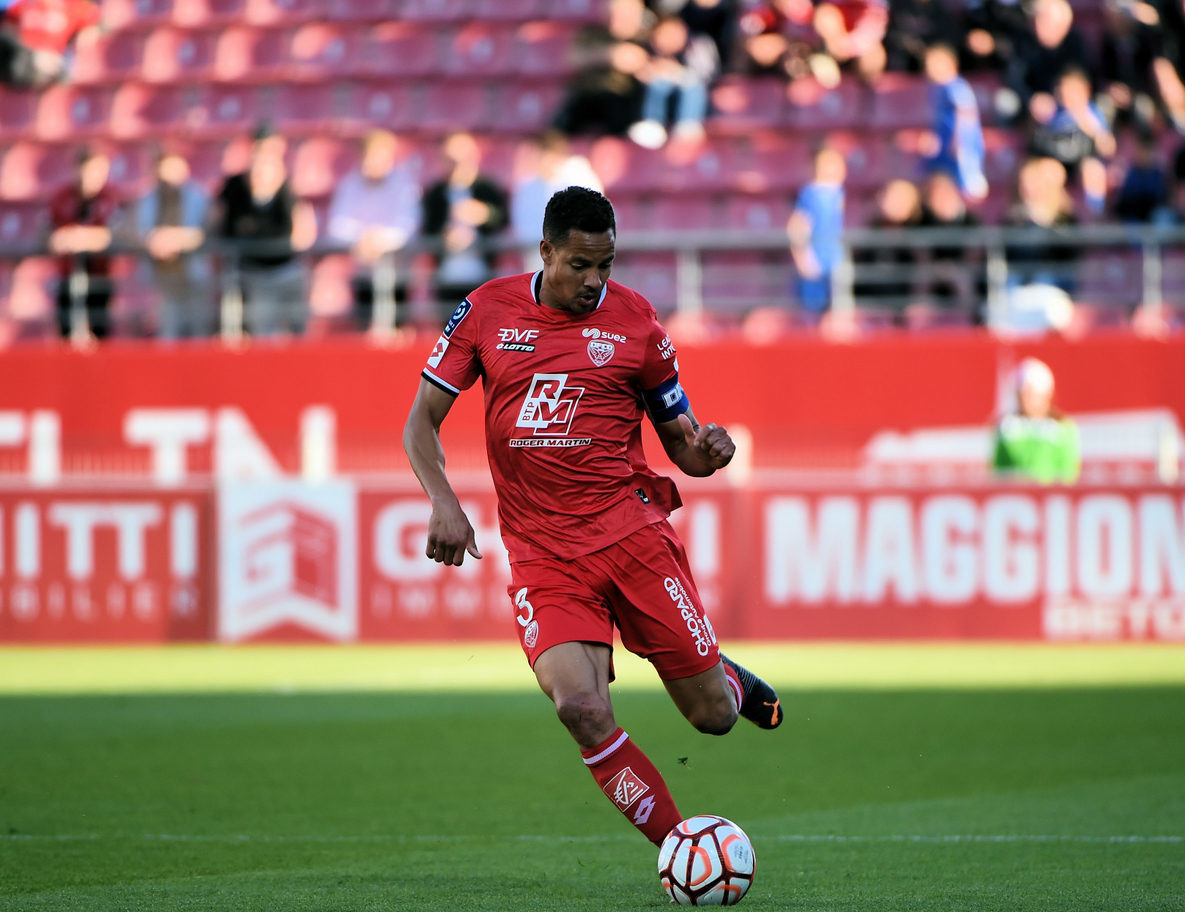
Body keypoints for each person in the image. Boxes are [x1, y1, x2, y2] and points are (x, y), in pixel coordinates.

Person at [403, 186, 782, 848]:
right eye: (579, 265)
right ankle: (682, 846)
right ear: (545, 250)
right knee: (579, 709)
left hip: (630, 536)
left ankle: (719, 676)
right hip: (542, 555)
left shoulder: (638, 324)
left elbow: (683, 447)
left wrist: (707, 449)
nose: (593, 281)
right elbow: (420, 424)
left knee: (712, 718)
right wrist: (443, 499)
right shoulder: (487, 310)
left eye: (604, 265)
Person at [215, 124, 317, 337]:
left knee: (296, 324)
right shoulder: (235, 188)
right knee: (261, 328)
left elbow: (303, 234)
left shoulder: (288, 190)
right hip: (250, 271)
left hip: (284, 269)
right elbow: (219, 224)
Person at [325, 128, 422, 332]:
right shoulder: (350, 185)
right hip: (363, 274)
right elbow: (337, 226)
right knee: (365, 333)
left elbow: (408, 225)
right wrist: (363, 239)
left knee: (399, 334)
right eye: (371, 155)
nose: (375, 161)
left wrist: (379, 240)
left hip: (397, 275)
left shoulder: (404, 184)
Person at [420, 131, 509, 325]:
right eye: (451, 160)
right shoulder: (435, 194)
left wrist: (484, 215)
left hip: (483, 278)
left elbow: (503, 219)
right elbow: (427, 228)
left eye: (462, 159)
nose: (457, 166)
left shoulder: (488, 189)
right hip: (447, 279)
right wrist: (445, 236)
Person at [132, 146, 211, 339]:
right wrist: (155, 240)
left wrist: (173, 239)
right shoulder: (148, 198)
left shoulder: (197, 197)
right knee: (168, 334)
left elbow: (205, 232)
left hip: (193, 277)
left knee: (198, 333)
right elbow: (140, 232)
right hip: (162, 279)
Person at [47, 145, 120, 343]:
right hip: (68, 278)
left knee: (100, 336)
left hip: (99, 277)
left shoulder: (110, 198)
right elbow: (49, 236)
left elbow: (114, 235)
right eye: (87, 170)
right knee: (67, 337)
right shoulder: (62, 198)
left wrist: (79, 237)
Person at [992, 357, 1080, 483]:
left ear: (1046, 394)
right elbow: (999, 474)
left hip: (1051, 498)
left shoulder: (1063, 429)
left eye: (1030, 393)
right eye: (1021, 394)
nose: (1025, 399)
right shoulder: (1006, 429)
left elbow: (1068, 474)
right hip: (1017, 498)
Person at [920, 42, 988, 201]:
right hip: (944, 144)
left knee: (964, 183)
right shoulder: (937, 89)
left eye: (937, 63)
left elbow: (965, 113)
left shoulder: (957, 87)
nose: (931, 68)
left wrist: (959, 141)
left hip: (958, 145)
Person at [786, 144, 846, 320]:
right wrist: (803, 258)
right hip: (816, 259)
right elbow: (796, 227)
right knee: (813, 307)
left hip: (834, 258)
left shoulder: (839, 194)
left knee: (836, 304)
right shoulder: (810, 193)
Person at [0, 0, 99, 87]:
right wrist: (33, 55)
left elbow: (92, 29)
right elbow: (7, 29)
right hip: (22, 62)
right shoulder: (23, 4)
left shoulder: (76, 6)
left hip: (54, 65)